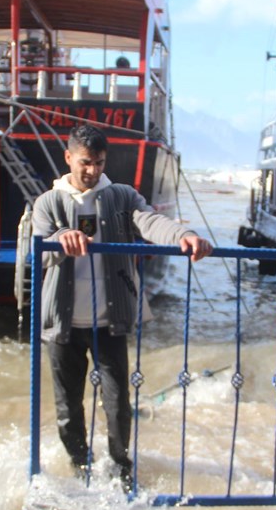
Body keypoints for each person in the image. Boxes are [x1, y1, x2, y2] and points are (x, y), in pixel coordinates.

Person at [32, 124, 212, 491]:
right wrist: (57, 240)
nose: (92, 171)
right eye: (85, 163)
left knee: (118, 405)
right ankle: (80, 467)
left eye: (99, 163)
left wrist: (183, 235)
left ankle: (120, 466)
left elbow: (151, 221)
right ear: (68, 158)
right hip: (62, 326)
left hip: (108, 322)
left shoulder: (122, 197)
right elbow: (36, 251)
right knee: (68, 410)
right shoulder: (48, 202)